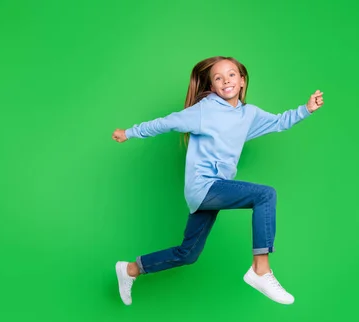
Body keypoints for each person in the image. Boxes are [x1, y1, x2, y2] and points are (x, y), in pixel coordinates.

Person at [112, 56, 324, 306]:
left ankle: (129, 270)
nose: (226, 81)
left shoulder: (248, 115)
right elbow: (166, 122)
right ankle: (260, 270)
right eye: (218, 78)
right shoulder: (204, 111)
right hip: (204, 186)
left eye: (231, 75)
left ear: (242, 81)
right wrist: (129, 132)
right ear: (212, 87)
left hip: (215, 191)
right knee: (265, 195)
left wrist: (306, 109)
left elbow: (278, 122)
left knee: (188, 254)